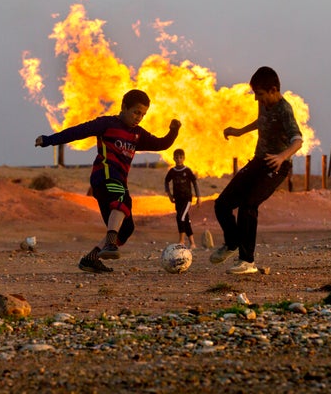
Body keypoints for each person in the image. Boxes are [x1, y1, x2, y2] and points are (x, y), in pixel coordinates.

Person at [35, 89, 181, 273]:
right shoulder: (107, 124)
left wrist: (174, 131)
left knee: (127, 228)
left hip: (118, 182)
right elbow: (78, 131)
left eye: (143, 114)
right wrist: (49, 140)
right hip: (103, 177)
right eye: (136, 112)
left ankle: (91, 259)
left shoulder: (138, 134)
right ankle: (110, 243)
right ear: (124, 107)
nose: (139, 118)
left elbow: (161, 144)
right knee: (123, 199)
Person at [210, 67, 303, 274]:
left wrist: (281, 157)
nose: (256, 99)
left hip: (275, 166)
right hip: (257, 162)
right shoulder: (264, 104)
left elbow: (298, 140)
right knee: (222, 204)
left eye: (259, 94)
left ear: (273, 90)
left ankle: (247, 261)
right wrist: (240, 131)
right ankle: (232, 243)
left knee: (248, 205)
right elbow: (261, 122)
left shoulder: (284, 110)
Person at [164, 149, 200, 248]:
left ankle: (181, 241)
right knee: (185, 219)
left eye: (180, 157)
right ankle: (192, 243)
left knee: (180, 217)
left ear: (184, 158)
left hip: (187, 199)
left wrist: (198, 197)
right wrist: (170, 195)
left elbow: (195, 183)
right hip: (177, 199)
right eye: (176, 157)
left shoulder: (187, 171)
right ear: (173, 158)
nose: (178, 159)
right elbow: (166, 182)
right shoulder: (172, 171)